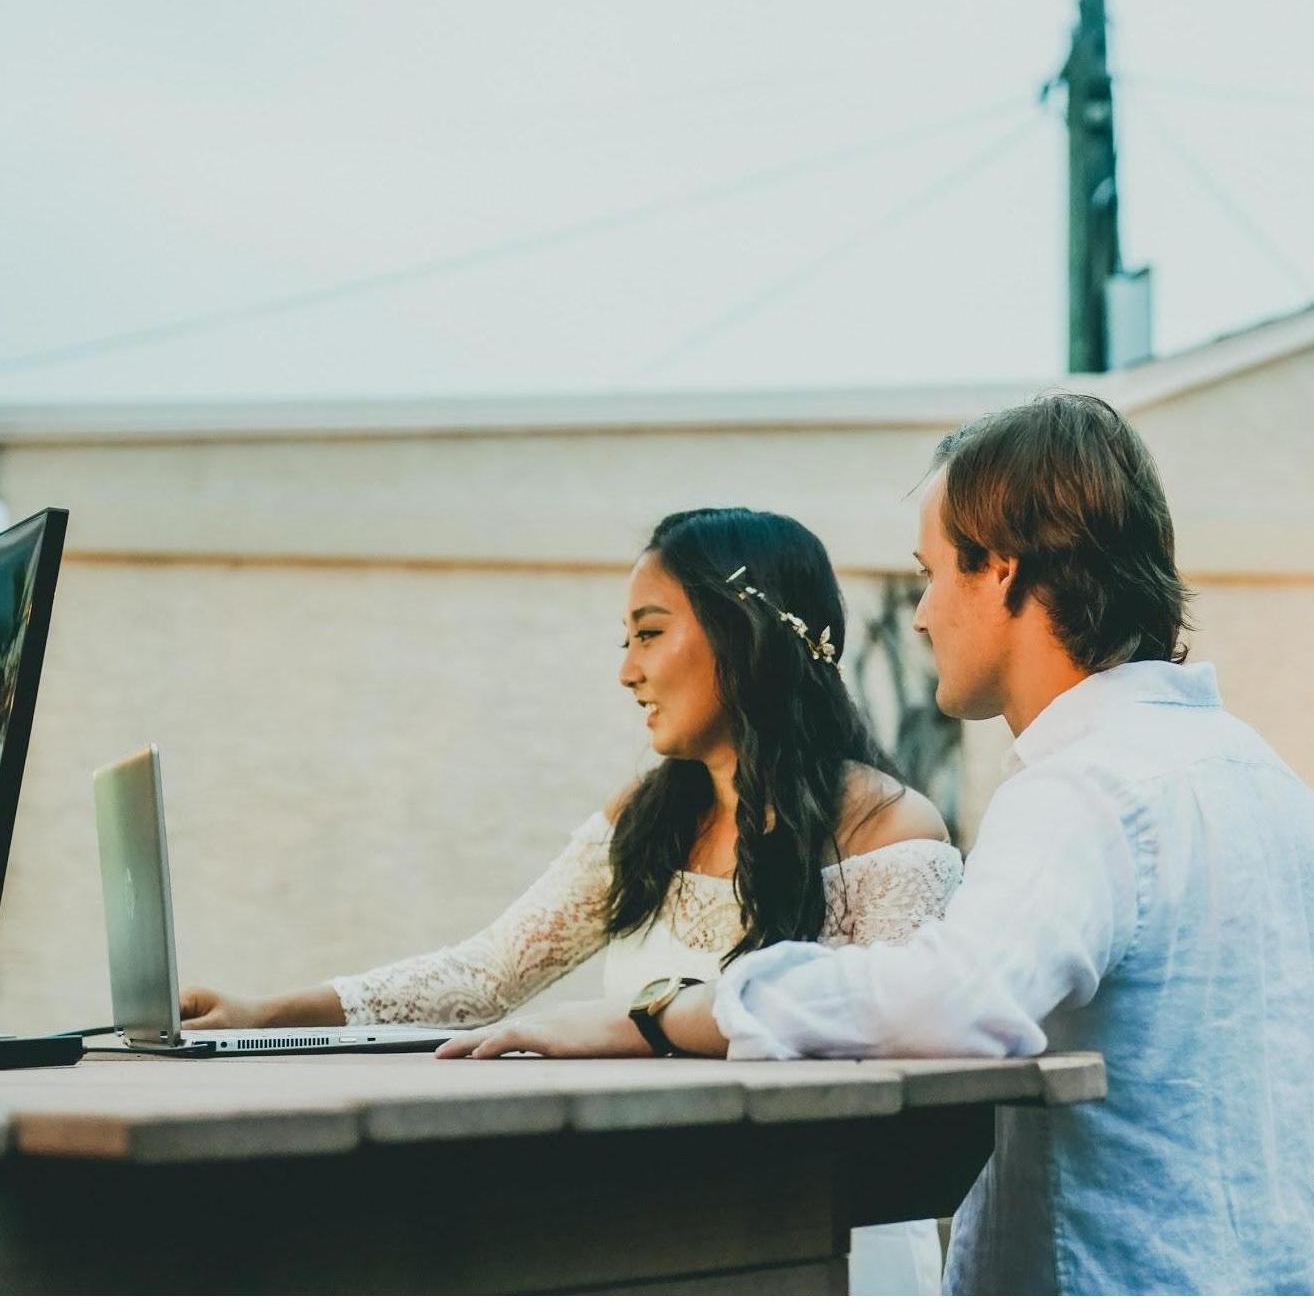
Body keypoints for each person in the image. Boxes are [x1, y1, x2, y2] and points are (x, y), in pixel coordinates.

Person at [457, 394, 1314, 1296]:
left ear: (1001, 570)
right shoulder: (1264, 779)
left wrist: (665, 1015)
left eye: (931, 573)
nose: (920, 615)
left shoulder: (1083, 791)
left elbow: (951, 1001)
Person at [181, 506, 962, 1296]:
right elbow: (485, 976)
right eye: (627, 642)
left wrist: (645, 1030)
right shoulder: (647, 818)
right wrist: (268, 1016)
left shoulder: (890, 830)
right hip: (659, 1228)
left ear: (742, 631)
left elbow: (893, 1045)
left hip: (828, 1235)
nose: (628, 672)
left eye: (649, 633)